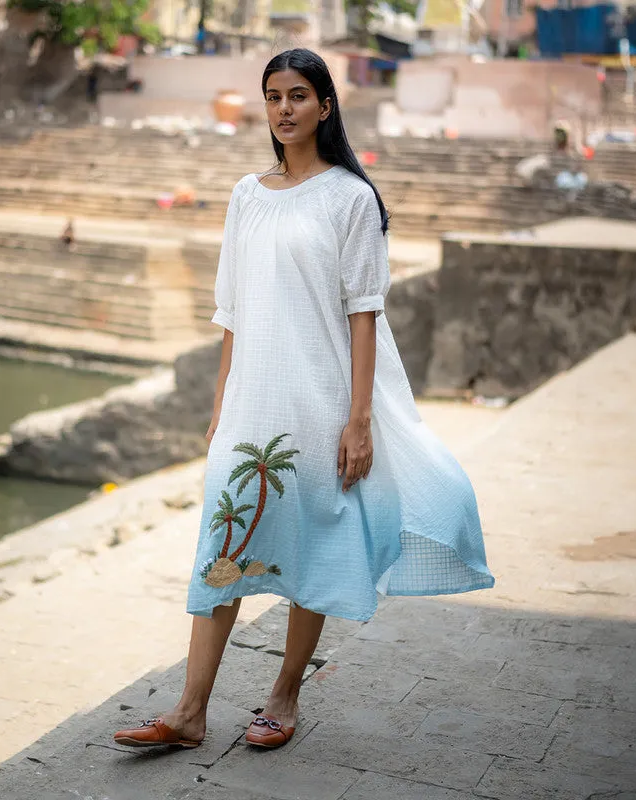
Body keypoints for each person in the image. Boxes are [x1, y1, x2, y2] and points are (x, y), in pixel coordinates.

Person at [113, 48, 494, 752]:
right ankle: (191, 712)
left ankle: (284, 695)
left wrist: (356, 420)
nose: (284, 109)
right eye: (272, 96)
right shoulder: (245, 194)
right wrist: (222, 404)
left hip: (320, 403)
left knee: (313, 544)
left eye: (297, 95)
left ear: (325, 105)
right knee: (225, 541)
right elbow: (231, 311)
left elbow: (363, 313)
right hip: (253, 404)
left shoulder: (352, 199)